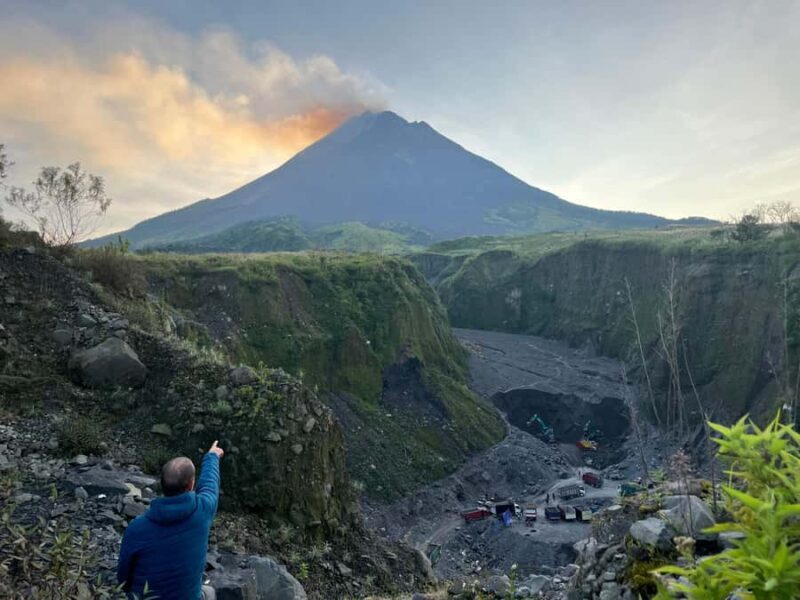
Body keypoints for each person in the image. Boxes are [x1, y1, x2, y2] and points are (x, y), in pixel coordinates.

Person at [118, 440, 224, 600]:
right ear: (190, 486)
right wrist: (212, 456)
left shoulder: (137, 527)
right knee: (210, 592)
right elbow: (210, 484)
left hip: (144, 597)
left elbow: (123, 576)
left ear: (162, 485)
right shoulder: (203, 510)